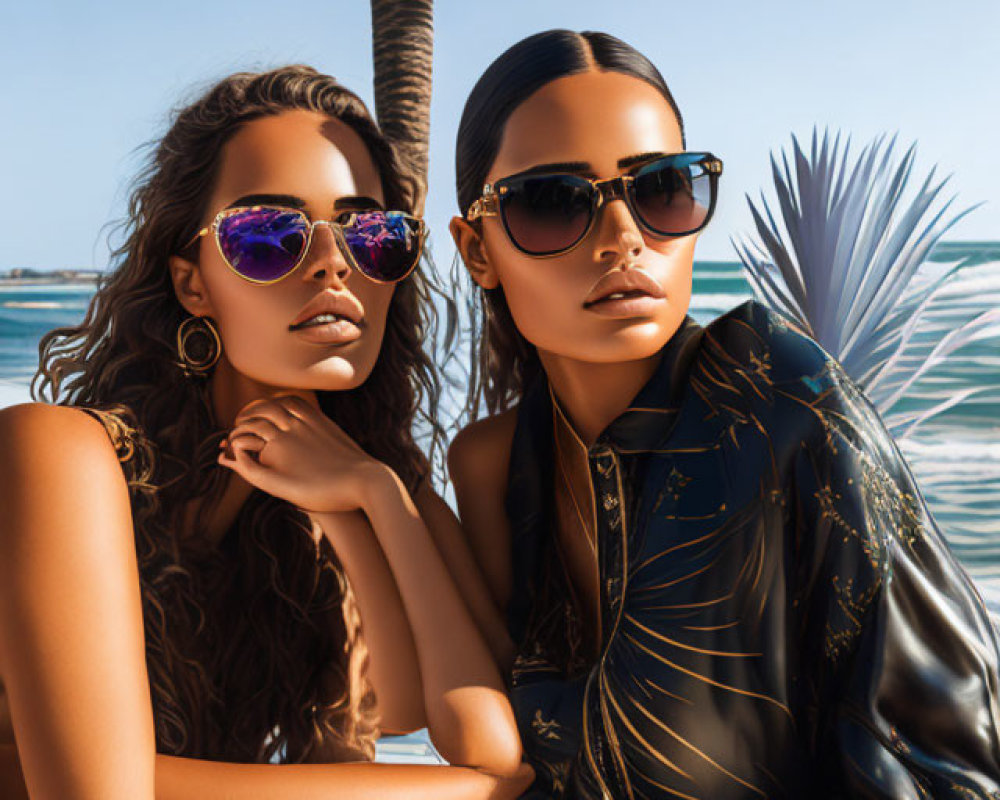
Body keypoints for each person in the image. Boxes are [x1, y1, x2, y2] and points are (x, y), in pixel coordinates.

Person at [448, 30, 1000, 798]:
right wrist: (374, 500)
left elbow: (948, 762)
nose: (623, 239)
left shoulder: (788, 407)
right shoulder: (495, 467)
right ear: (478, 251)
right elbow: (489, 756)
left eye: (661, 189)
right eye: (551, 204)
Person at [0, 65, 532, 800]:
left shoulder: (337, 476)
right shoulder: (56, 454)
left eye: (371, 234)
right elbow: (98, 791)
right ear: (193, 284)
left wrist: (370, 498)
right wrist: (463, 793)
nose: (332, 263)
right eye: (267, 235)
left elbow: (463, 730)